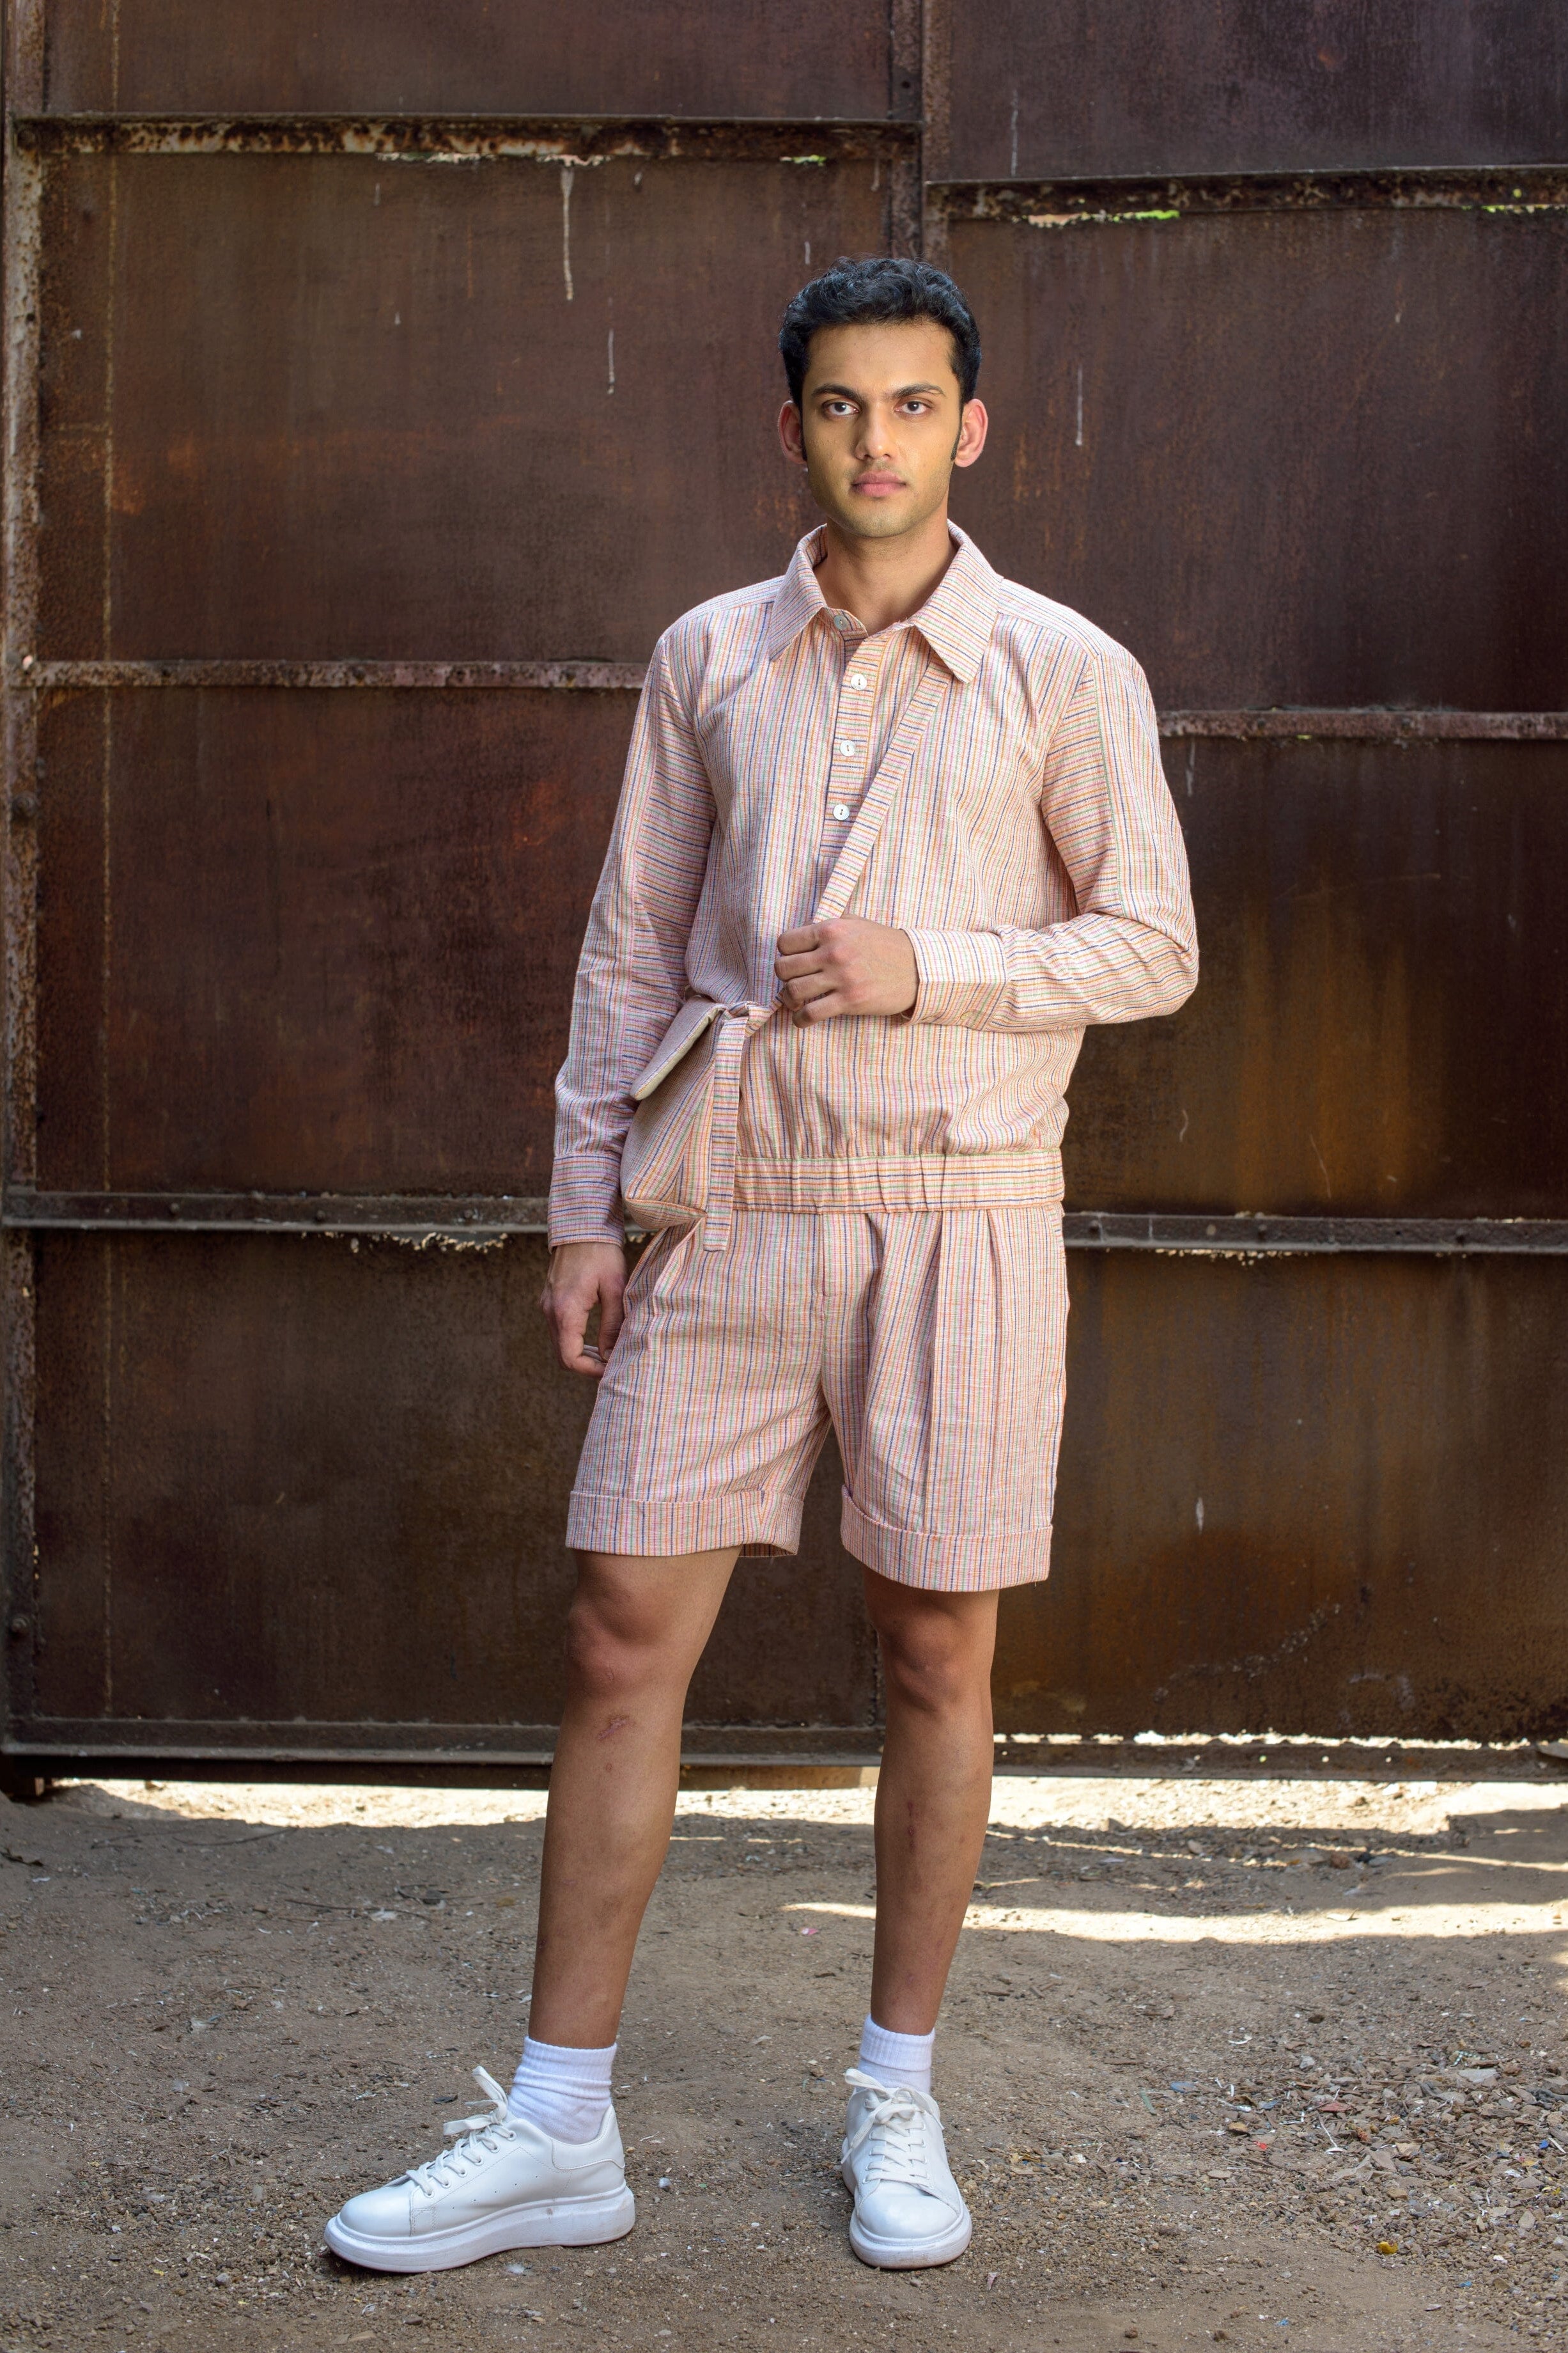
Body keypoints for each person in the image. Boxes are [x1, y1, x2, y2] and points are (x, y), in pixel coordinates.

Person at [326, 254, 1197, 2278]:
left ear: (971, 427)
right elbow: (632, 943)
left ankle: (898, 2094)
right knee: (620, 1632)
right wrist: (581, 1206)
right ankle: (559, 2129)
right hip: (725, 1202)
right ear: (790, 424)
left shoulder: (1066, 668)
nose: (877, 441)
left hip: (964, 1208)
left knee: (939, 1654)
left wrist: (927, 968)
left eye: (914, 405)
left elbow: (1155, 943)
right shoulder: (709, 655)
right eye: (840, 405)